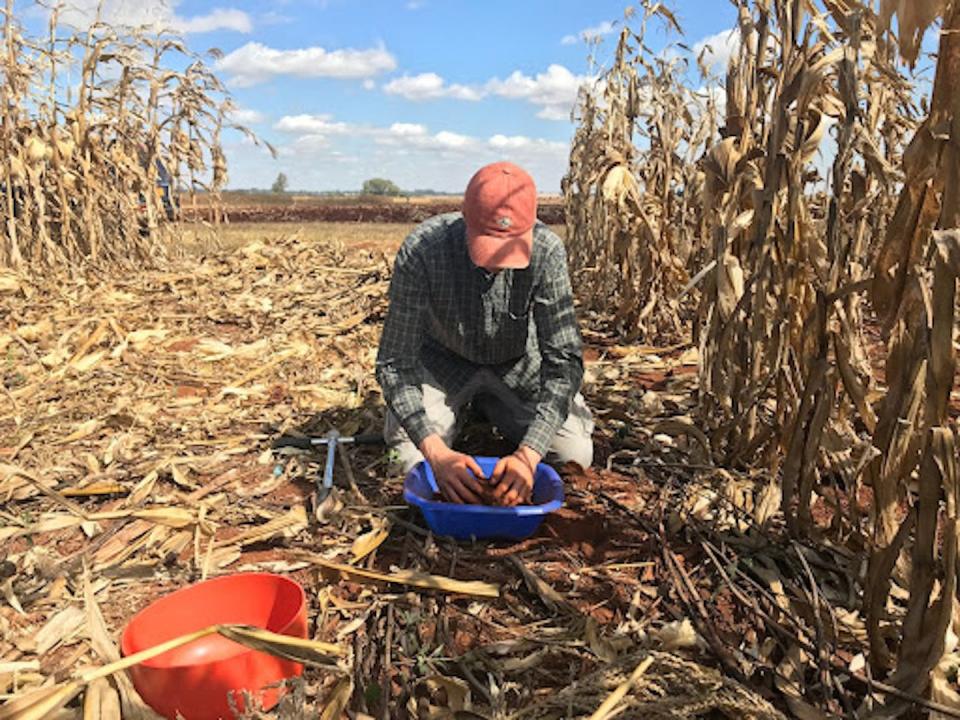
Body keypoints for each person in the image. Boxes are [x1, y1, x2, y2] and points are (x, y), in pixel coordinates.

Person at [375, 161, 593, 506]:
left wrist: (529, 455)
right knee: (410, 463)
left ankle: (485, 409)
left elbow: (564, 362)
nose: (494, 263)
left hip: (518, 371)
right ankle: (460, 416)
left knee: (575, 454)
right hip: (442, 369)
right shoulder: (423, 251)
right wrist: (435, 453)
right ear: (465, 218)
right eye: (486, 246)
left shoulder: (547, 252)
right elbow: (394, 363)